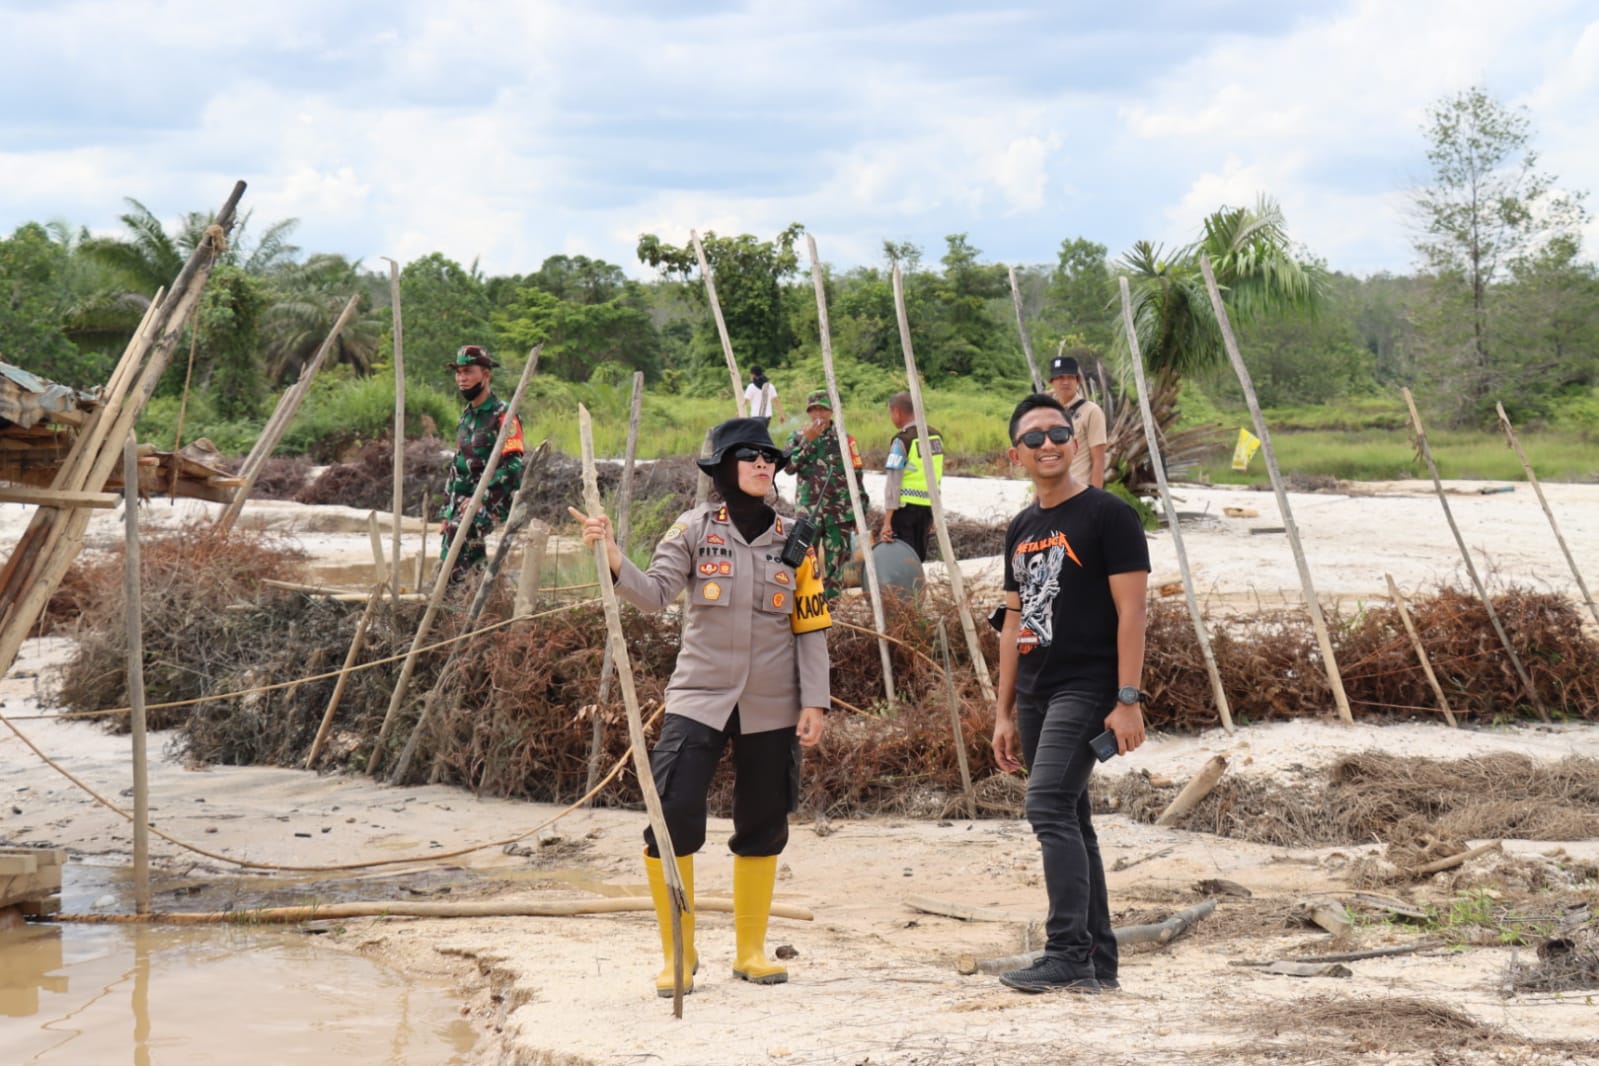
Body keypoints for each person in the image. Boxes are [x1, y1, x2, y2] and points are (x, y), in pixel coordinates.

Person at [572, 417, 831, 998]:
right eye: (751, 456)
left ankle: (751, 952)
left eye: (770, 457)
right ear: (724, 468)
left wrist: (815, 699)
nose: (765, 465)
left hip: (772, 701)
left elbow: (810, 625)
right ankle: (679, 956)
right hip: (698, 697)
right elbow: (654, 594)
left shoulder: (797, 538)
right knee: (673, 812)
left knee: (763, 822)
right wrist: (613, 556)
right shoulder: (692, 529)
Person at [991, 393, 1150, 994]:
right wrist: (1003, 711)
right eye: (1034, 438)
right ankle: (1098, 962)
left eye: (1058, 433)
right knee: (1074, 818)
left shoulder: (1109, 516)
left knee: (1048, 806)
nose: (1048, 444)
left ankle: (1066, 953)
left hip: (1089, 686)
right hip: (1034, 690)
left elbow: (1132, 613)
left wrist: (1128, 698)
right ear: (1017, 455)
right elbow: (1013, 622)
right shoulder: (1022, 528)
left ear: (1075, 443)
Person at [439, 344, 525, 582]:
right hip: (463, 504)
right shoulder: (465, 417)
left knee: (460, 535)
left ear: (486, 374)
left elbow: (513, 468)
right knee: (453, 546)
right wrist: (447, 510)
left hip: (494, 501)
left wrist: (481, 497)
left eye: (468, 372)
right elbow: (457, 468)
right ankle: (475, 600)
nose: (461, 378)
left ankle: (455, 602)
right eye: (458, 372)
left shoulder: (503, 415)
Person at [784, 390, 865, 601]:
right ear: (809, 412)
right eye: (814, 409)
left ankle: (832, 613)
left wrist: (860, 511)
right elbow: (789, 467)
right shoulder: (797, 437)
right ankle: (805, 610)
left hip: (839, 514)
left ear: (832, 411)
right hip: (808, 513)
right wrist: (808, 442)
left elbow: (857, 475)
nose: (818, 413)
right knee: (803, 563)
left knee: (836, 567)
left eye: (823, 408)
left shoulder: (845, 439)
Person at [879, 391, 944, 563]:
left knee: (902, 559)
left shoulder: (902, 440)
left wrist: (887, 521)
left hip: (904, 509)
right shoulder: (936, 437)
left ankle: (905, 591)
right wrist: (936, 514)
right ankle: (917, 589)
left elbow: (894, 482)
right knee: (918, 559)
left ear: (897, 412)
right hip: (927, 509)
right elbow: (937, 476)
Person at [1047, 352, 1108, 489]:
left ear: (1078, 380)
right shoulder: (1049, 412)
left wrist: (1095, 500)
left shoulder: (1091, 411)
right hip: (1052, 493)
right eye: (1060, 377)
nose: (1065, 382)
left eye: (1070, 377)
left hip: (1079, 492)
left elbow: (1098, 460)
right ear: (1051, 382)